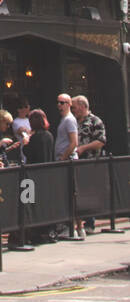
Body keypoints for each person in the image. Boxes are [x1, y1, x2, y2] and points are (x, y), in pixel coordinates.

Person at [71, 95, 107, 237]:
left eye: (74, 107)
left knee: (89, 192)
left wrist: (83, 148)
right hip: (76, 162)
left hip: (90, 162)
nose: (73, 109)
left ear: (82, 106)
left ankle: (90, 223)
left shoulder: (95, 121)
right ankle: (79, 222)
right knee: (78, 193)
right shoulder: (74, 121)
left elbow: (101, 140)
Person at [24, 109, 55, 244]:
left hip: (34, 176)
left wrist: (26, 142)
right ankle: (48, 231)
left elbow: (29, 153)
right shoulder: (49, 135)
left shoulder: (35, 138)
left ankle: (35, 232)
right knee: (46, 202)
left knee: (31, 202)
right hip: (47, 175)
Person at [54, 93, 78, 163]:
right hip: (64, 160)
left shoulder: (69, 120)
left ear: (69, 104)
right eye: (57, 102)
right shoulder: (63, 119)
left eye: (62, 103)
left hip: (68, 160)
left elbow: (74, 142)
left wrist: (63, 158)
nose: (59, 105)